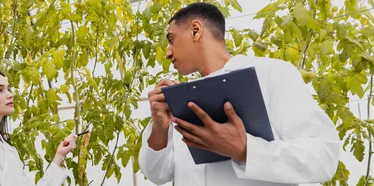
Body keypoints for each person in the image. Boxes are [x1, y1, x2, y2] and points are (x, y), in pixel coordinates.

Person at [139, 2, 341, 186]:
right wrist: (160, 126)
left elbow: (323, 156)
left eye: (171, 40)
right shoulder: (183, 100)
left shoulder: (273, 74)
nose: (168, 52)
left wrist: (245, 150)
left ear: (195, 30)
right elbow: (158, 175)